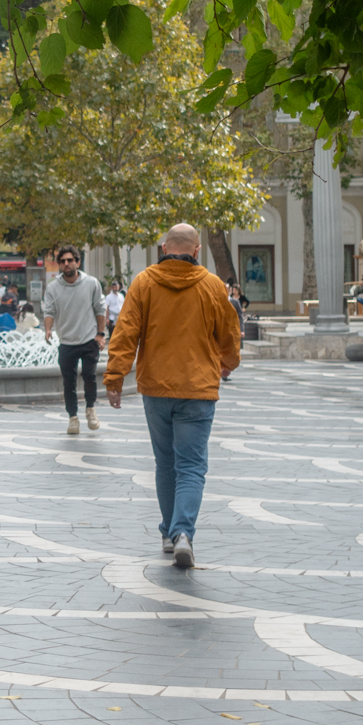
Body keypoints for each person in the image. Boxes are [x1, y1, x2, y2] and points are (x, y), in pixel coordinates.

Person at [103, 222, 241, 570]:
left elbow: (125, 332)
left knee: (165, 463)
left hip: (156, 389)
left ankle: (168, 533)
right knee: (192, 465)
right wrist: (227, 363)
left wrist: (115, 377)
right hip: (198, 390)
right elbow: (229, 333)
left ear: (164, 248)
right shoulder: (212, 286)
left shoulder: (144, 283)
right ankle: (183, 533)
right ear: (197, 251)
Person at [42, 247, 107, 435]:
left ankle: (90, 409)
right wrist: (48, 329)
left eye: (70, 260)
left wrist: (100, 335)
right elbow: (49, 312)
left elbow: (100, 309)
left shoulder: (91, 283)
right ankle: (73, 418)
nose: (66, 264)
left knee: (89, 375)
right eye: (62, 261)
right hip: (67, 342)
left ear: (78, 263)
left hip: (88, 340)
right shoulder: (53, 287)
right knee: (68, 383)